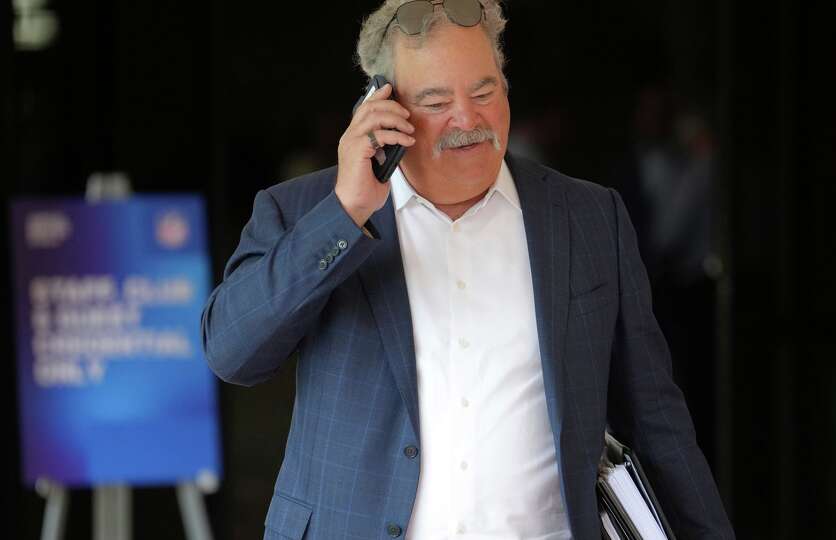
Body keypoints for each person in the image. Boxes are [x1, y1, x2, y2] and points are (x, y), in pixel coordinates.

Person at [201, 1, 734, 538]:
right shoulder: (305, 211)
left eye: (484, 92)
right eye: (436, 100)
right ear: (382, 109)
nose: (467, 119)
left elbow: (657, 419)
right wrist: (346, 212)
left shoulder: (588, 218)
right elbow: (233, 353)